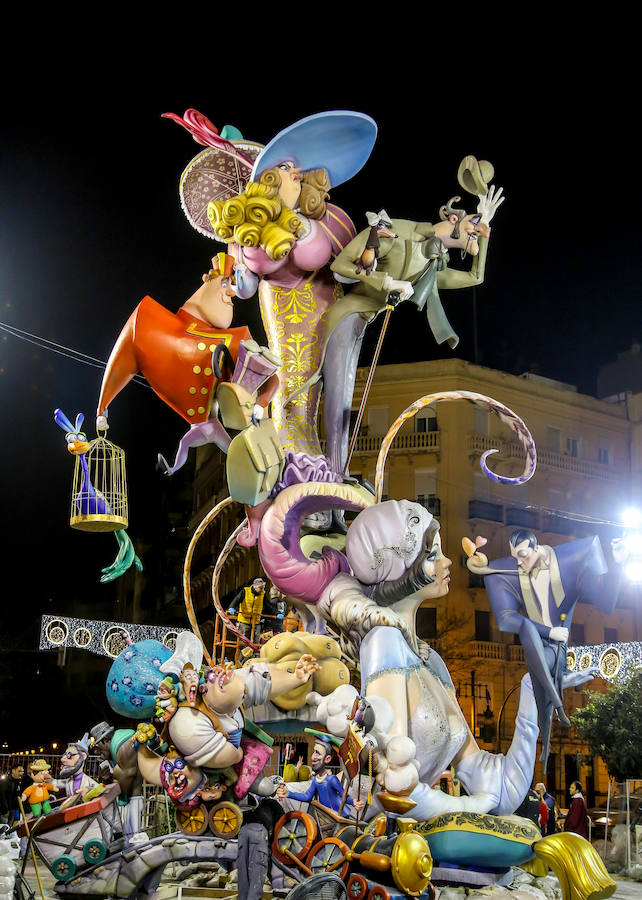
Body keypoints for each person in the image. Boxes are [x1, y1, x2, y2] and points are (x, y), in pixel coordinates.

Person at [207, 112, 375, 489]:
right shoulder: (252, 230)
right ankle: (300, 468)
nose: (295, 172)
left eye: (297, 167)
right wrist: (233, 276)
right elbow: (247, 285)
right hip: (284, 312)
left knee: (334, 389)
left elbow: (343, 262)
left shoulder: (329, 220)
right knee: (293, 391)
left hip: (328, 305)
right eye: (284, 167)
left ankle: (334, 469)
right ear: (267, 179)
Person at [478, 529, 628, 766]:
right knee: (528, 631)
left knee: (534, 672)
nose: (520, 562)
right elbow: (506, 618)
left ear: (537, 549)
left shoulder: (570, 562)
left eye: (524, 555)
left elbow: (607, 602)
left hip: (558, 650)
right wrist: (548, 631)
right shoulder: (512, 573)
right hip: (540, 644)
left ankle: (550, 729)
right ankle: (557, 710)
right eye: (515, 557)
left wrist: (618, 564)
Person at [277, 731, 363, 815]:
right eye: (314, 752)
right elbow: (307, 796)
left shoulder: (331, 779)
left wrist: (354, 802)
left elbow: (344, 796)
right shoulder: (315, 779)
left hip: (336, 814)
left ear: (327, 759)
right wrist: (288, 793)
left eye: (317, 753)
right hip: (323, 813)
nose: (313, 756)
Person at [230, 577, 267, 644]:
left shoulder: (263, 594)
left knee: (256, 641)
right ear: (255, 586)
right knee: (243, 641)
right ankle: (242, 654)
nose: (262, 590)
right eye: (261, 588)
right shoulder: (245, 591)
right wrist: (231, 607)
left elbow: (268, 605)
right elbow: (236, 600)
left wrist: (277, 613)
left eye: (263, 588)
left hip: (256, 622)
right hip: (244, 621)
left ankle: (255, 654)